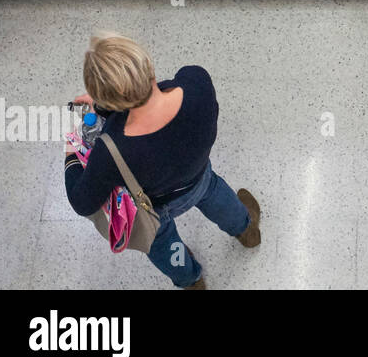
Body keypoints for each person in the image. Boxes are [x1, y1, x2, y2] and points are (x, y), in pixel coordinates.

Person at [64, 33, 261, 289]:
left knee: (164, 246)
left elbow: (82, 202)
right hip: (199, 177)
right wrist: (110, 103)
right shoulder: (196, 83)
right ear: (148, 64)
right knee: (218, 198)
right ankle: (247, 231)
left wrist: (71, 151)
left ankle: (191, 281)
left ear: (110, 100)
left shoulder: (111, 149)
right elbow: (161, 94)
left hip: (155, 209)